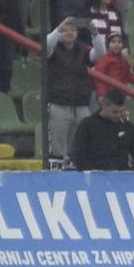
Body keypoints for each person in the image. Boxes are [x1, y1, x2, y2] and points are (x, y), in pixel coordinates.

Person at [43, 18, 96, 163]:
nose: (69, 32)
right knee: (57, 149)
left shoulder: (83, 49)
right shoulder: (53, 49)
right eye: (65, 30)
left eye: (73, 29)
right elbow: (45, 46)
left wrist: (95, 35)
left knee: (82, 146)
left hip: (81, 103)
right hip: (59, 102)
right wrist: (58, 28)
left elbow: (100, 55)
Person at [70, 92, 134, 170]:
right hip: (95, 174)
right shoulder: (87, 125)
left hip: (121, 175)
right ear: (103, 106)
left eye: (121, 111)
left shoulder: (128, 127)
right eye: (114, 112)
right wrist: (89, 171)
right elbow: (78, 153)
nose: (118, 115)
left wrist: (133, 171)